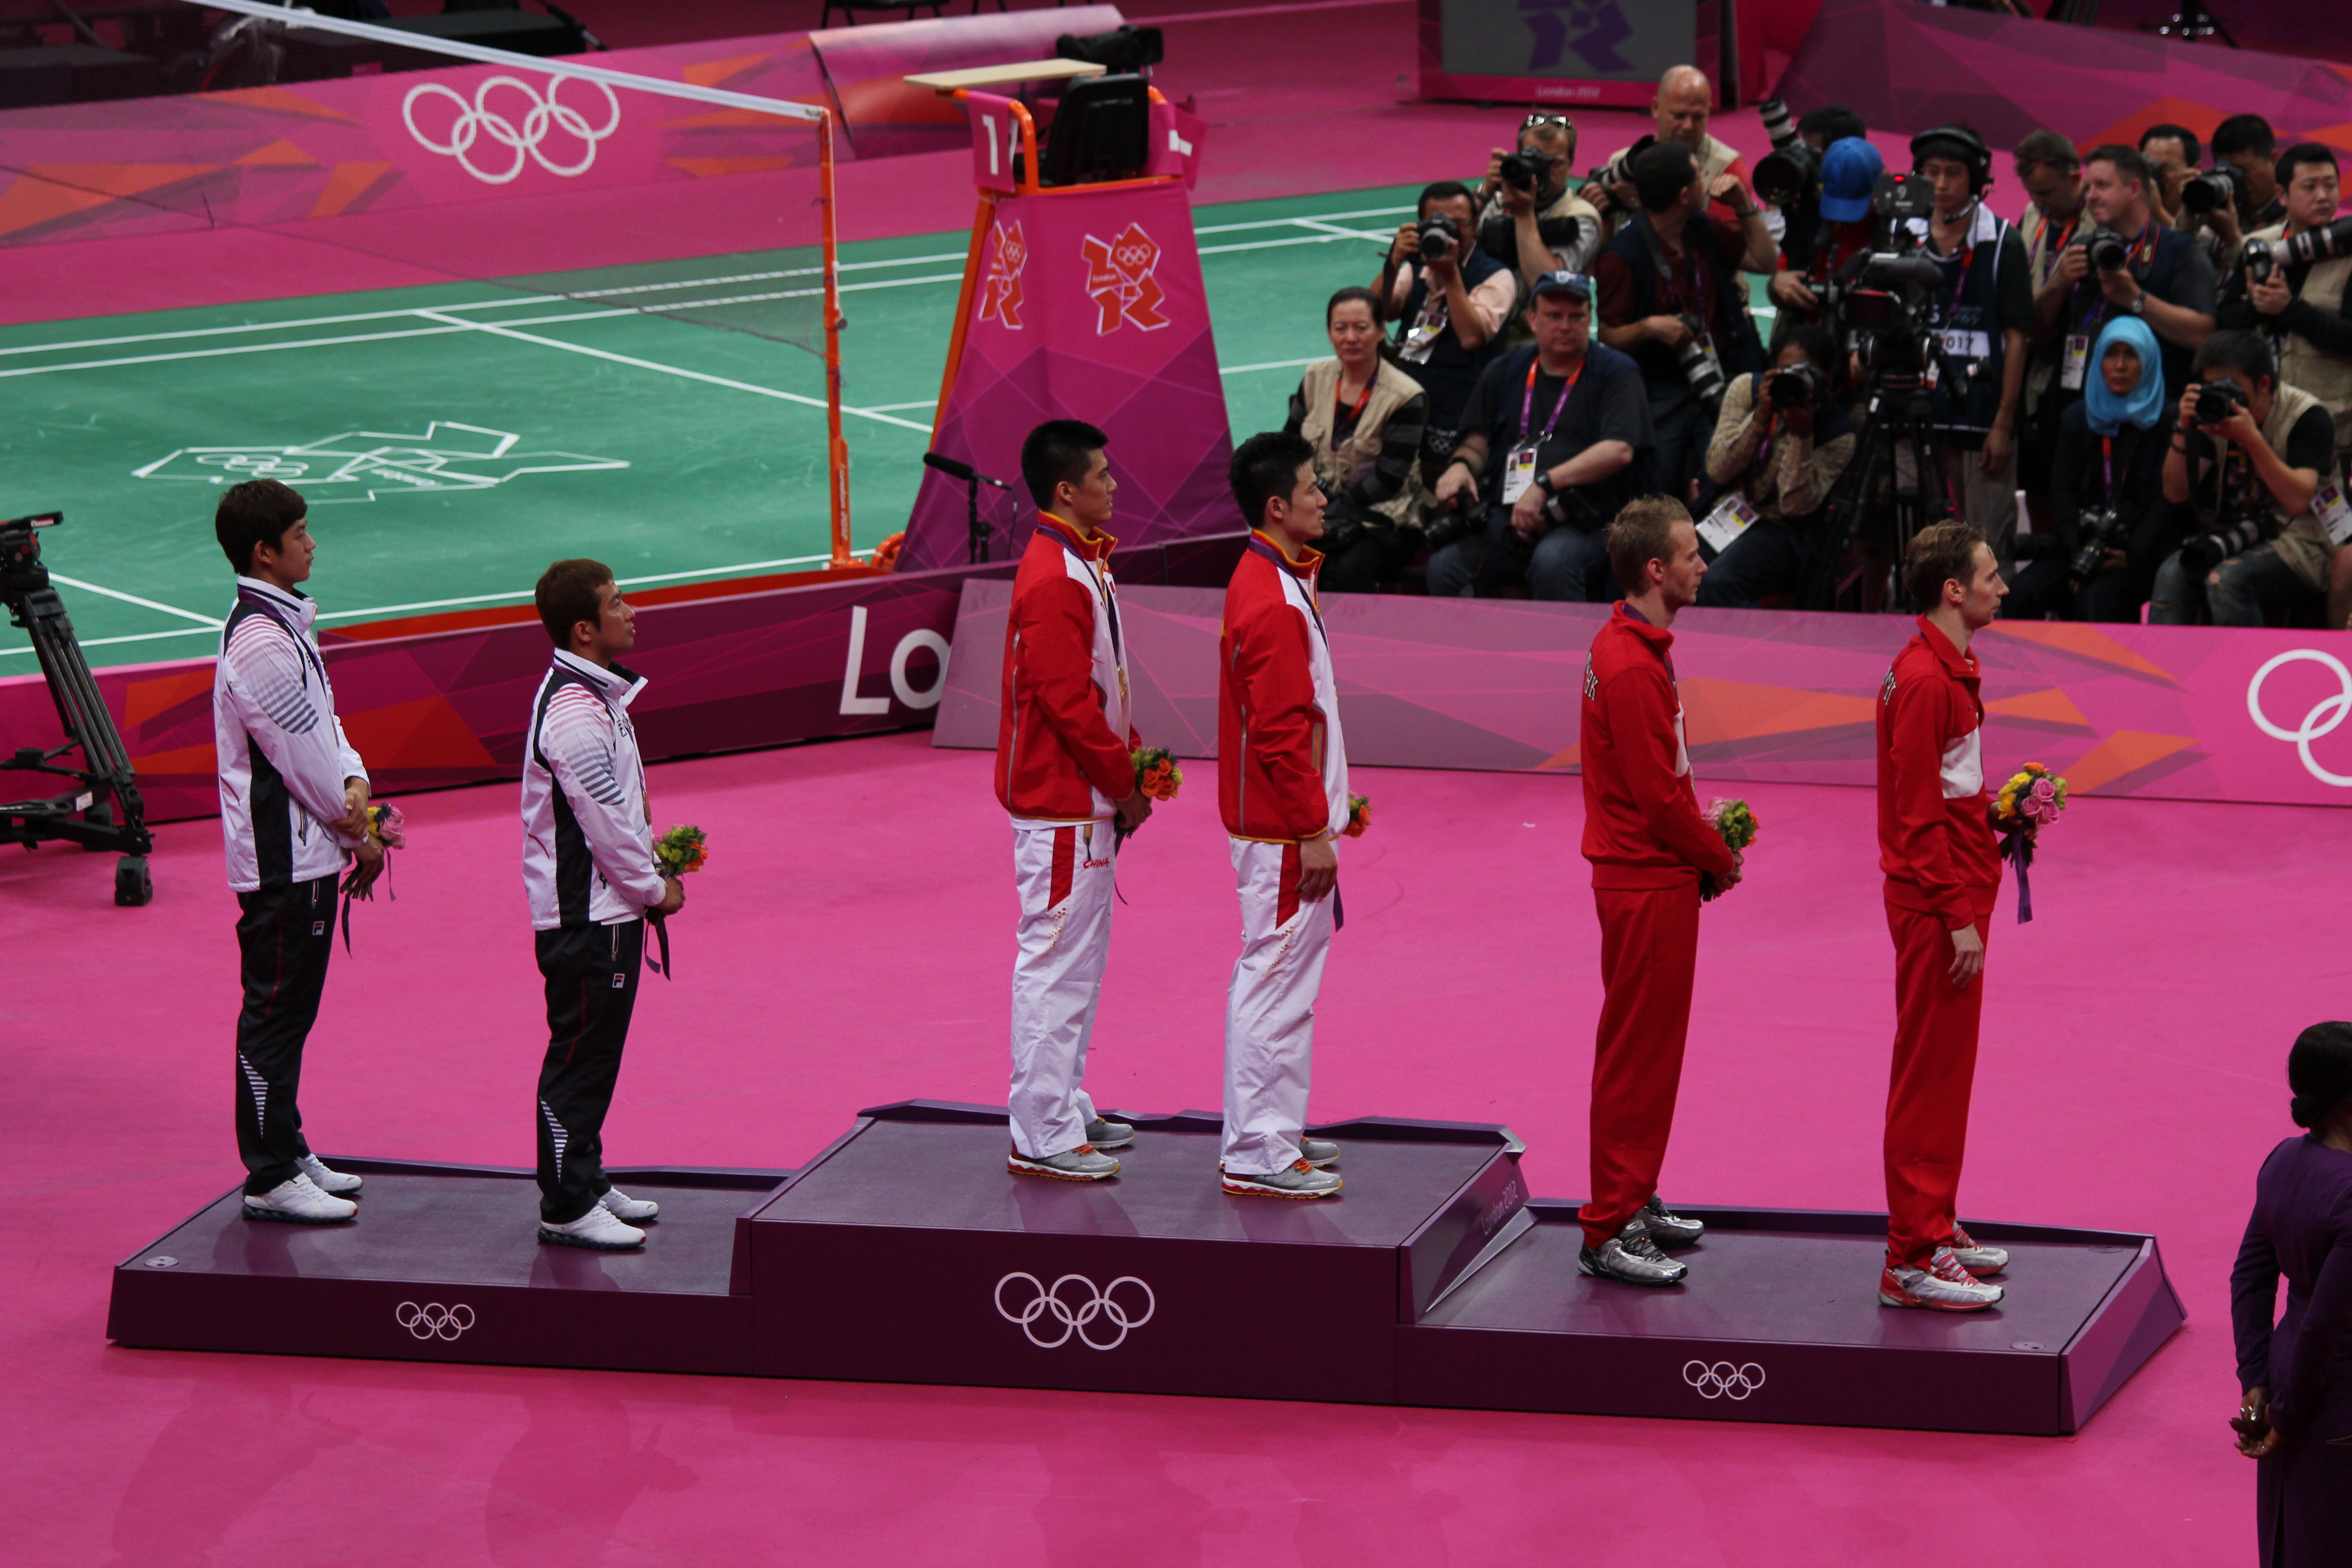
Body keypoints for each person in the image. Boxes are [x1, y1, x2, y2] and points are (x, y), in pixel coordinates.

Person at [1573, 497, 1738, 1288]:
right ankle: (1608, 1225)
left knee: (1644, 1050)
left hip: (1648, 875)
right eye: (1689, 554)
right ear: (1654, 569)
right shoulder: (1631, 664)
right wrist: (1718, 853)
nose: (1701, 565)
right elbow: (1656, 797)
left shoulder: (1627, 644)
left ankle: (1630, 1193)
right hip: (1644, 880)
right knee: (1637, 1054)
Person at [211, 478, 382, 1225]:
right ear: (264, 550)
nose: (313, 543)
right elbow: (298, 754)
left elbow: (326, 725)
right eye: (302, 532)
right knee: (275, 1017)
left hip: (307, 853)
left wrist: (356, 775)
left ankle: (288, 1145)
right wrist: (359, 830)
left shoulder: (286, 626)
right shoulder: (260, 642)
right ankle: (270, 1173)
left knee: (293, 1014)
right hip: (283, 861)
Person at [995, 420, 1153, 1182]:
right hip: (1063, 801)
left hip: (1079, 796)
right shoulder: (1055, 574)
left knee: (1077, 964)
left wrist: (1129, 759)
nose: (1113, 484)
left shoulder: (1079, 562)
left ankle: (1063, 1098)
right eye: (1102, 474)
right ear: (1067, 490)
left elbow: (1098, 683)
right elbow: (1062, 698)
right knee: (1055, 964)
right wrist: (1122, 781)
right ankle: (1040, 1129)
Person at [519, 560, 682, 1251]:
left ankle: (583, 1175)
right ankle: (564, 1203)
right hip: (587, 917)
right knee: (579, 1059)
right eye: (619, 604)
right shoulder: (577, 714)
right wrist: (655, 888)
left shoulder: (598, 696)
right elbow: (607, 824)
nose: (632, 610)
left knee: (597, 1057)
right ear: (585, 629)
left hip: (602, 911)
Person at [1876, 523, 2013, 1313]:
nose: (2003, 587)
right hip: (1938, 904)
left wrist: (2004, 812)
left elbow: (1949, 793)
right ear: (1952, 591)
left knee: (1945, 1074)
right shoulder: (1925, 681)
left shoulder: (1947, 667)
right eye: (1990, 576)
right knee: (1926, 1076)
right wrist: (1955, 914)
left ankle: (1932, 1221)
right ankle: (1908, 1257)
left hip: (1956, 889)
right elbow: (1915, 815)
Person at [1215, 432, 1351, 1200]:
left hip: (1283, 821)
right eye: (1311, 487)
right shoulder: (1269, 596)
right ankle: (1257, 1150)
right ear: (1277, 506)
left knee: (1282, 983)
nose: (1323, 497)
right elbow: (1275, 730)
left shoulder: (1278, 578)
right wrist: (1311, 827)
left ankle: (1272, 1127)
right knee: (1272, 982)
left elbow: (1305, 718)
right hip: (1278, 831)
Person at [1427, 272, 1652, 599]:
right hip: (1508, 515)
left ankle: (1560, 651)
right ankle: (1466, 649)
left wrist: (1544, 484)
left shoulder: (1617, 372)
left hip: (1589, 520)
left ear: (1590, 319)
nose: (1565, 325)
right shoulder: (1504, 370)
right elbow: (1476, 443)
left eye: (1576, 317)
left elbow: (1619, 450)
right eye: (1554, 316)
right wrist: (1460, 465)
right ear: (1533, 319)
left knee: (1554, 561)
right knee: (1444, 567)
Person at [2229, 1020, 2352, 1568]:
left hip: (2286, 1377)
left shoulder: (2281, 1160)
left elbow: (2250, 1278)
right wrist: (2289, 1413)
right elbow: (2327, 1324)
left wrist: (2257, 1380)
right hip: (2336, 1399)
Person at [1596, 140, 1768, 504]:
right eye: (1698, 178)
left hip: (1718, 375)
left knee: (1726, 483)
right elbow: (1609, 336)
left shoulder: (1701, 227)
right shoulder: (1621, 256)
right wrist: (1648, 328)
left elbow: (1765, 261)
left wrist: (1743, 207)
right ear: (1686, 193)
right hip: (1659, 392)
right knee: (1660, 493)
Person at [2151, 330, 2342, 627]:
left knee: (2226, 580)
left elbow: (2297, 501)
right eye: (2212, 386)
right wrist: (2183, 430)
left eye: (2230, 388)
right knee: (2172, 573)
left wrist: (2251, 439)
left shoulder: (2308, 415)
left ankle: (2241, 672)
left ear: (2264, 384)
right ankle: (2167, 671)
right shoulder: (2210, 414)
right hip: (2237, 530)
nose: (2221, 397)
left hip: (2305, 540)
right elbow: (2175, 492)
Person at [2036, 145, 2216, 452]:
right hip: (2076, 413)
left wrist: (2135, 298)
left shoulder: (2180, 251)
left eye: (2102, 186)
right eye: (2088, 187)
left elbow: (2203, 334)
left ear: (2135, 189)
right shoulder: (2081, 248)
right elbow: (2033, 331)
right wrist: (2057, 285)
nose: (2090, 196)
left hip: (2151, 421)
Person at [1909, 125, 2034, 557]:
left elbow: (2018, 338)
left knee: (1986, 548)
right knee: (1920, 544)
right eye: (1931, 172)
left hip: (1982, 418)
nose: (1941, 184)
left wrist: (2004, 423)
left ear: (1977, 180)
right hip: (1916, 412)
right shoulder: (1903, 238)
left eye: (1953, 173)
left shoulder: (2004, 242)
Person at [2009, 316, 2173, 622]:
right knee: (2021, 592)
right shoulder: (2078, 417)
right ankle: (2030, 672)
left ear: (2148, 360)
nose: (2120, 366)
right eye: (2111, 355)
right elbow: (2062, 494)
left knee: (2099, 596)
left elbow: (2166, 503)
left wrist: (2133, 554)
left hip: (2141, 553)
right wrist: (2079, 553)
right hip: (2082, 546)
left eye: (2131, 355)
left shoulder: (2167, 420)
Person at [1696, 319, 1856, 607]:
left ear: (1827, 376)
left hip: (1783, 531)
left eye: (1804, 373)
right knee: (1668, 573)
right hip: (1728, 512)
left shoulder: (1839, 434)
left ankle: (1740, 649)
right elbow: (1718, 470)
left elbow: (1794, 506)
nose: (1791, 379)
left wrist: (1802, 436)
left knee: (1717, 583)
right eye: (1783, 371)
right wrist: (1759, 418)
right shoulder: (1747, 389)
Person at [1284, 287, 1429, 593]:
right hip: (1322, 511)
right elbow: (1289, 446)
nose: (1351, 338)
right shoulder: (1315, 377)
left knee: (1351, 570)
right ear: (1329, 333)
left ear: (1380, 332)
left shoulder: (1406, 396)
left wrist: (1333, 509)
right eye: (1341, 328)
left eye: (1361, 328)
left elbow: (1390, 478)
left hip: (1385, 517)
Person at [2220, 144, 2352, 454]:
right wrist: (2255, 307)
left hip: (2331, 420)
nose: (2322, 196)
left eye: (2330, 186)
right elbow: (2223, 320)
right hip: (2259, 415)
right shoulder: (2258, 247)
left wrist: (2291, 311)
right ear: (2282, 196)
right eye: (2310, 187)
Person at [1377, 180, 1514, 466]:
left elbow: (1472, 338)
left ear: (1476, 223)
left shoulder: (1497, 276)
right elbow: (1377, 315)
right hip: (1408, 399)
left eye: (1459, 223)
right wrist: (1392, 262)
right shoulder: (1415, 268)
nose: (1448, 231)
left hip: (1463, 409)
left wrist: (1450, 275)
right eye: (1437, 222)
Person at [1474, 111, 1604, 344]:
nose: (1543, 172)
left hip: (1542, 343)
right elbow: (1456, 258)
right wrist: (1483, 196)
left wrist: (1524, 214)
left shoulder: (1582, 217)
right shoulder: (1496, 201)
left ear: (1572, 163)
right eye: (1533, 160)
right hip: (1487, 333)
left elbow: (1548, 284)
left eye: (1554, 163)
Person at [2014, 131, 2087, 533]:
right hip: (2035, 372)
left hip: (2082, 369)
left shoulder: (2099, 216)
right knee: (2038, 485)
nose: (2040, 202)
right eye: (2033, 193)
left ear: (2076, 177)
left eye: (2047, 193)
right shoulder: (2031, 216)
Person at [1597, 64, 1757, 221]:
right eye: (1679, 116)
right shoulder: (1622, 164)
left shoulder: (1727, 169)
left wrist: (1652, 206)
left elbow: (1727, 244)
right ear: (1656, 108)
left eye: (1698, 117)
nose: (1688, 126)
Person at [1765, 136, 1882, 322]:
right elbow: (1782, 278)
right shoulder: (1809, 221)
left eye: (1853, 203)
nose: (1841, 217)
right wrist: (1777, 285)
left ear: (1879, 188)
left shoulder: (1894, 233)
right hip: (1809, 338)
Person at [2138, 122, 2202, 228]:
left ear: (2194, 170)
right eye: (2151, 167)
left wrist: (2159, 213)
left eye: (2167, 168)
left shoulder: (2208, 217)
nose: (2156, 176)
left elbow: (2192, 243)